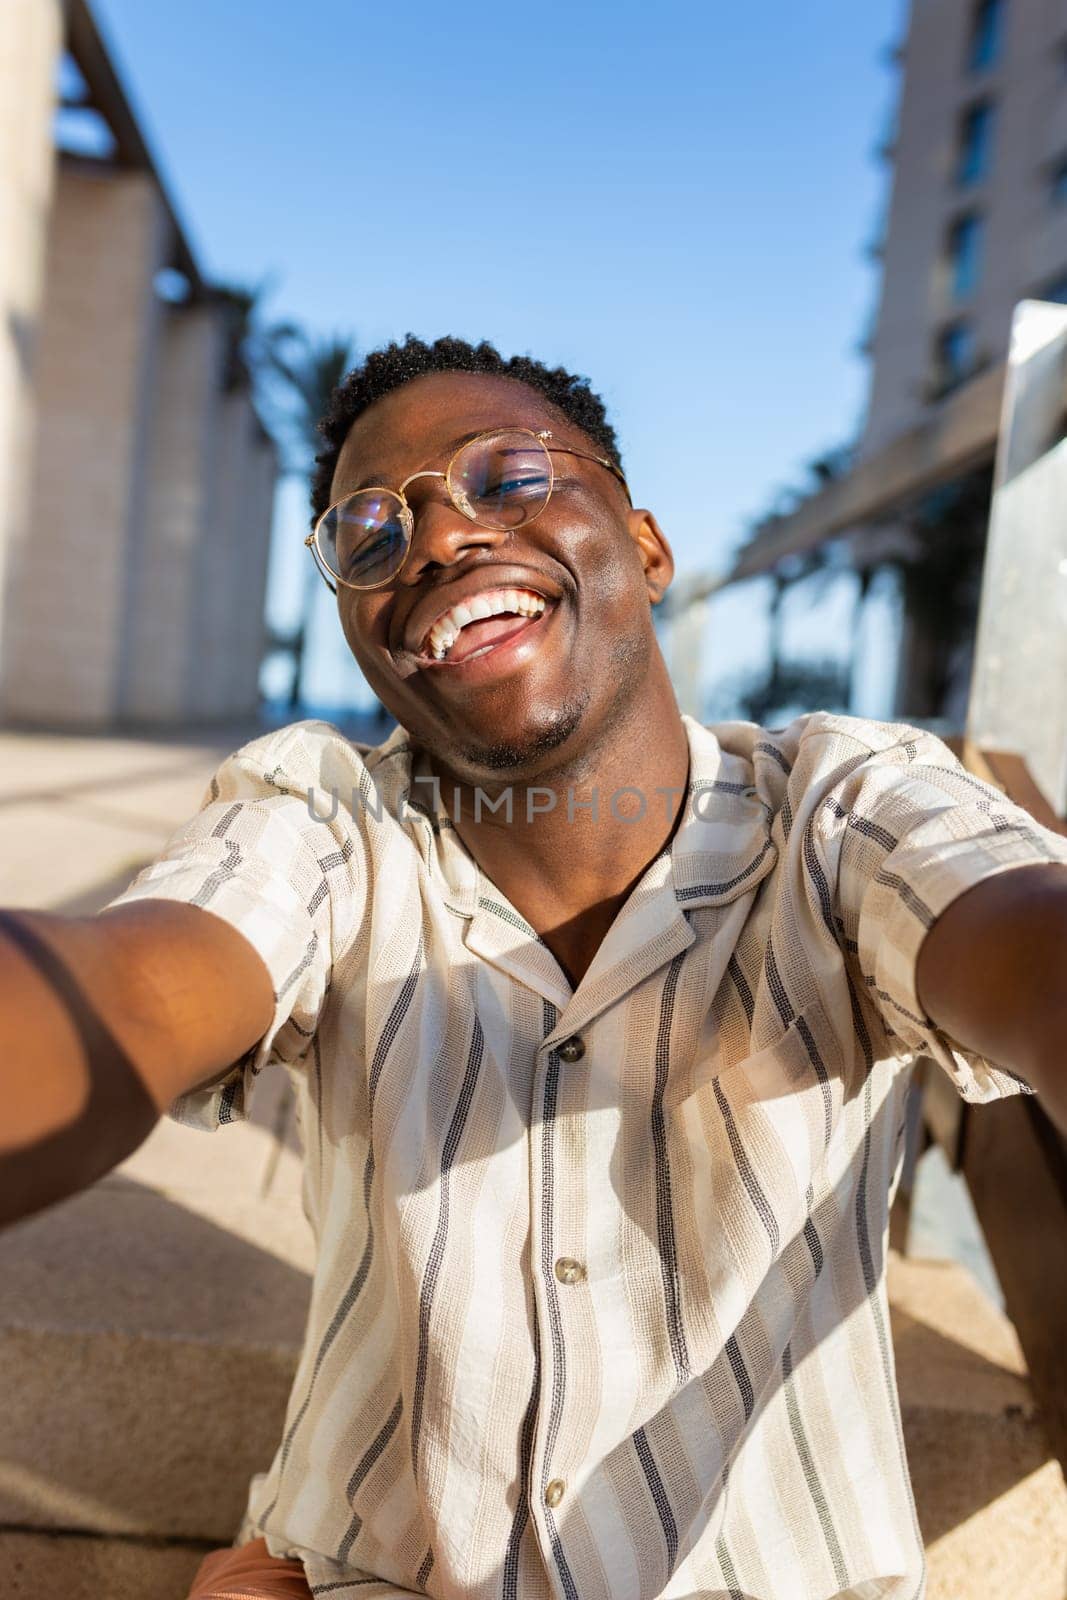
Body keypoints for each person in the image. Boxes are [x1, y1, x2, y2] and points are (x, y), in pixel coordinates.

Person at [3, 334, 1067, 1600]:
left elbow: (1022, 931)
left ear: (650, 548)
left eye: (507, 477)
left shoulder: (844, 809)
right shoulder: (323, 819)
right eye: (369, 533)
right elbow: (120, 992)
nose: (440, 541)